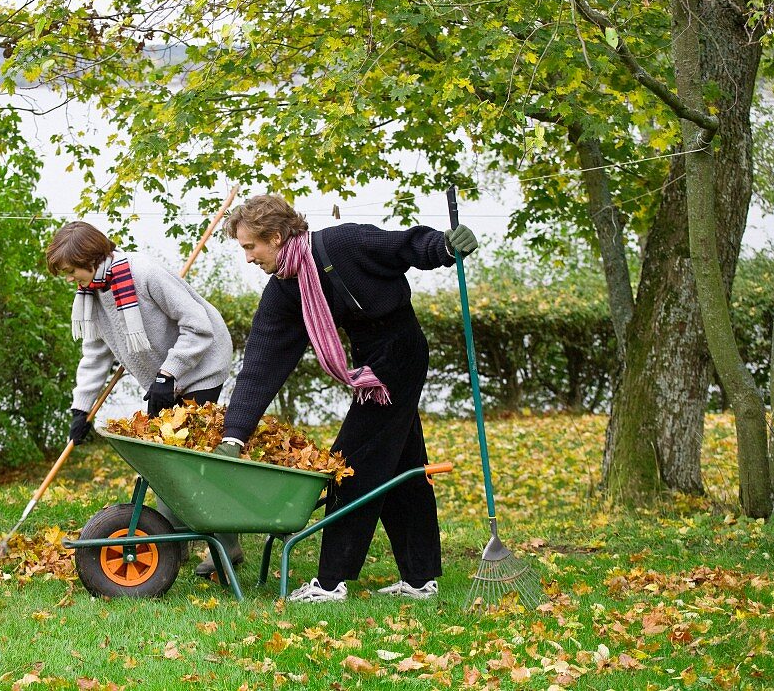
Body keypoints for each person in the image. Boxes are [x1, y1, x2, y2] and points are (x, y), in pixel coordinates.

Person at [217, 194, 478, 602]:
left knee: (351, 465)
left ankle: (330, 582)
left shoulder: (343, 244)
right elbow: (262, 361)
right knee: (402, 466)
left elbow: (404, 246)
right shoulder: (287, 289)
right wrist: (234, 434)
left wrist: (444, 247)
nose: (248, 257)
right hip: (370, 364)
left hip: (398, 355)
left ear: (278, 236)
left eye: (251, 246)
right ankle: (419, 579)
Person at [45, 221, 241, 576]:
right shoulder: (92, 294)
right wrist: (81, 408)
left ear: (90, 259)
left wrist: (169, 374)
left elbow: (198, 324)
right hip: (164, 379)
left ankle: (224, 547)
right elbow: (95, 356)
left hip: (201, 365)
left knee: (187, 461)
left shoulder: (144, 273)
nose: (71, 280)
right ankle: (173, 541)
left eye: (72, 271)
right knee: (169, 459)